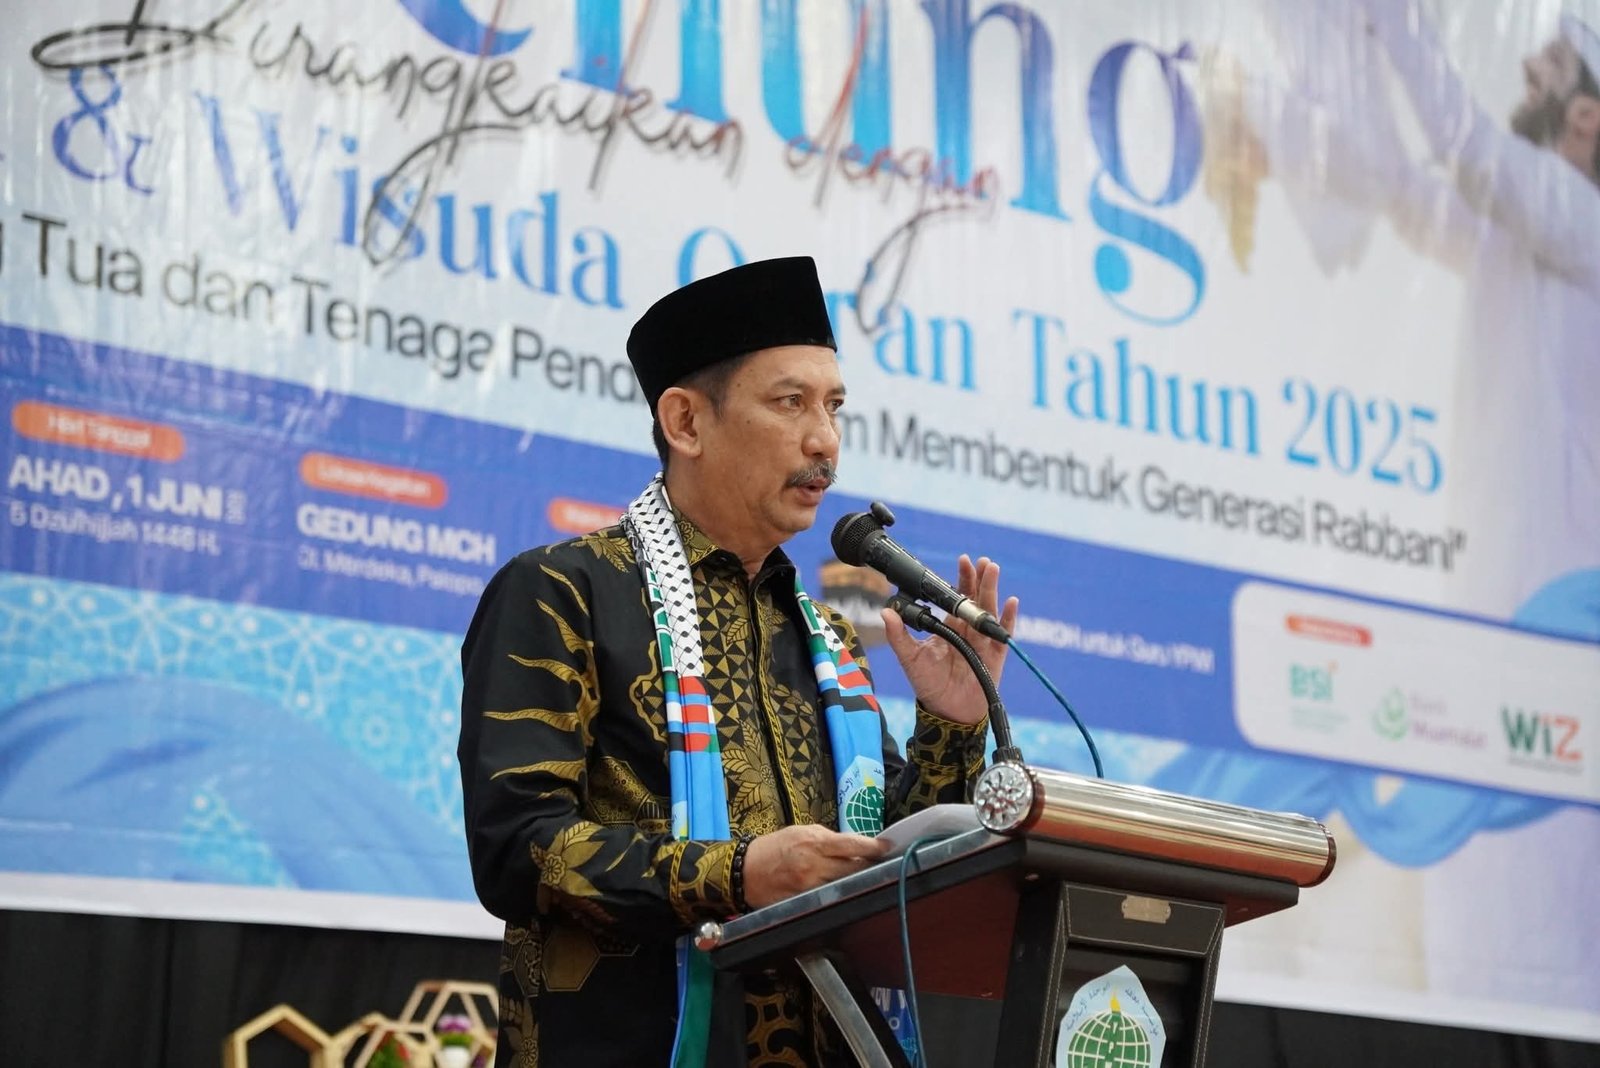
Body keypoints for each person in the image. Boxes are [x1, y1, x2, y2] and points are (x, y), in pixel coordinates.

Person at [457, 256, 1018, 1068]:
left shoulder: (826, 639)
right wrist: (739, 874)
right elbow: (518, 849)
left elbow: (888, 868)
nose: (824, 440)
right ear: (685, 422)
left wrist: (952, 728)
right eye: (790, 403)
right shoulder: (563, 592)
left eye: (833, 407)